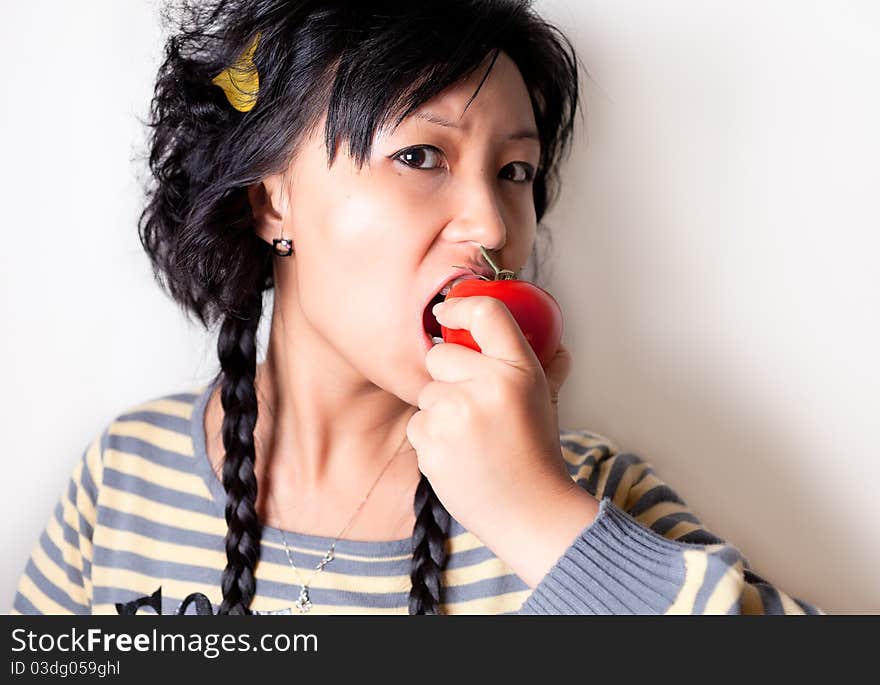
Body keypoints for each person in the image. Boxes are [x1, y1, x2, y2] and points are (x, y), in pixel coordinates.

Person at [12, 0, 823, 615]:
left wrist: (538, 515)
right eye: (421, 155)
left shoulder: (585, 490)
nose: (492, 224)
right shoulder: (122, 479)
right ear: (272, 202)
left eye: (515, 171)